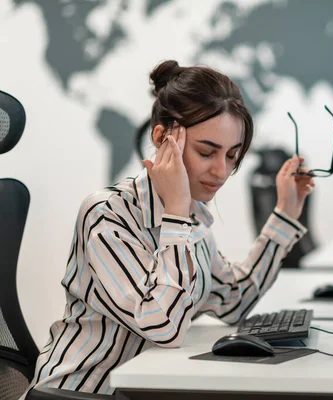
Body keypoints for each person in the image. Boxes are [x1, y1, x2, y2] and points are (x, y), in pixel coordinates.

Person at [25, 60, 315, 396]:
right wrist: (176, 215)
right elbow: (164, 325)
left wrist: (285, 215)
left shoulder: (193, 217)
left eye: (233, 156)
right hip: (77, 395)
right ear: (163, 138)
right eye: (207, 152)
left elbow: (233, 301)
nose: (221, 171)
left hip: (136, 392)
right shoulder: (107, 215)